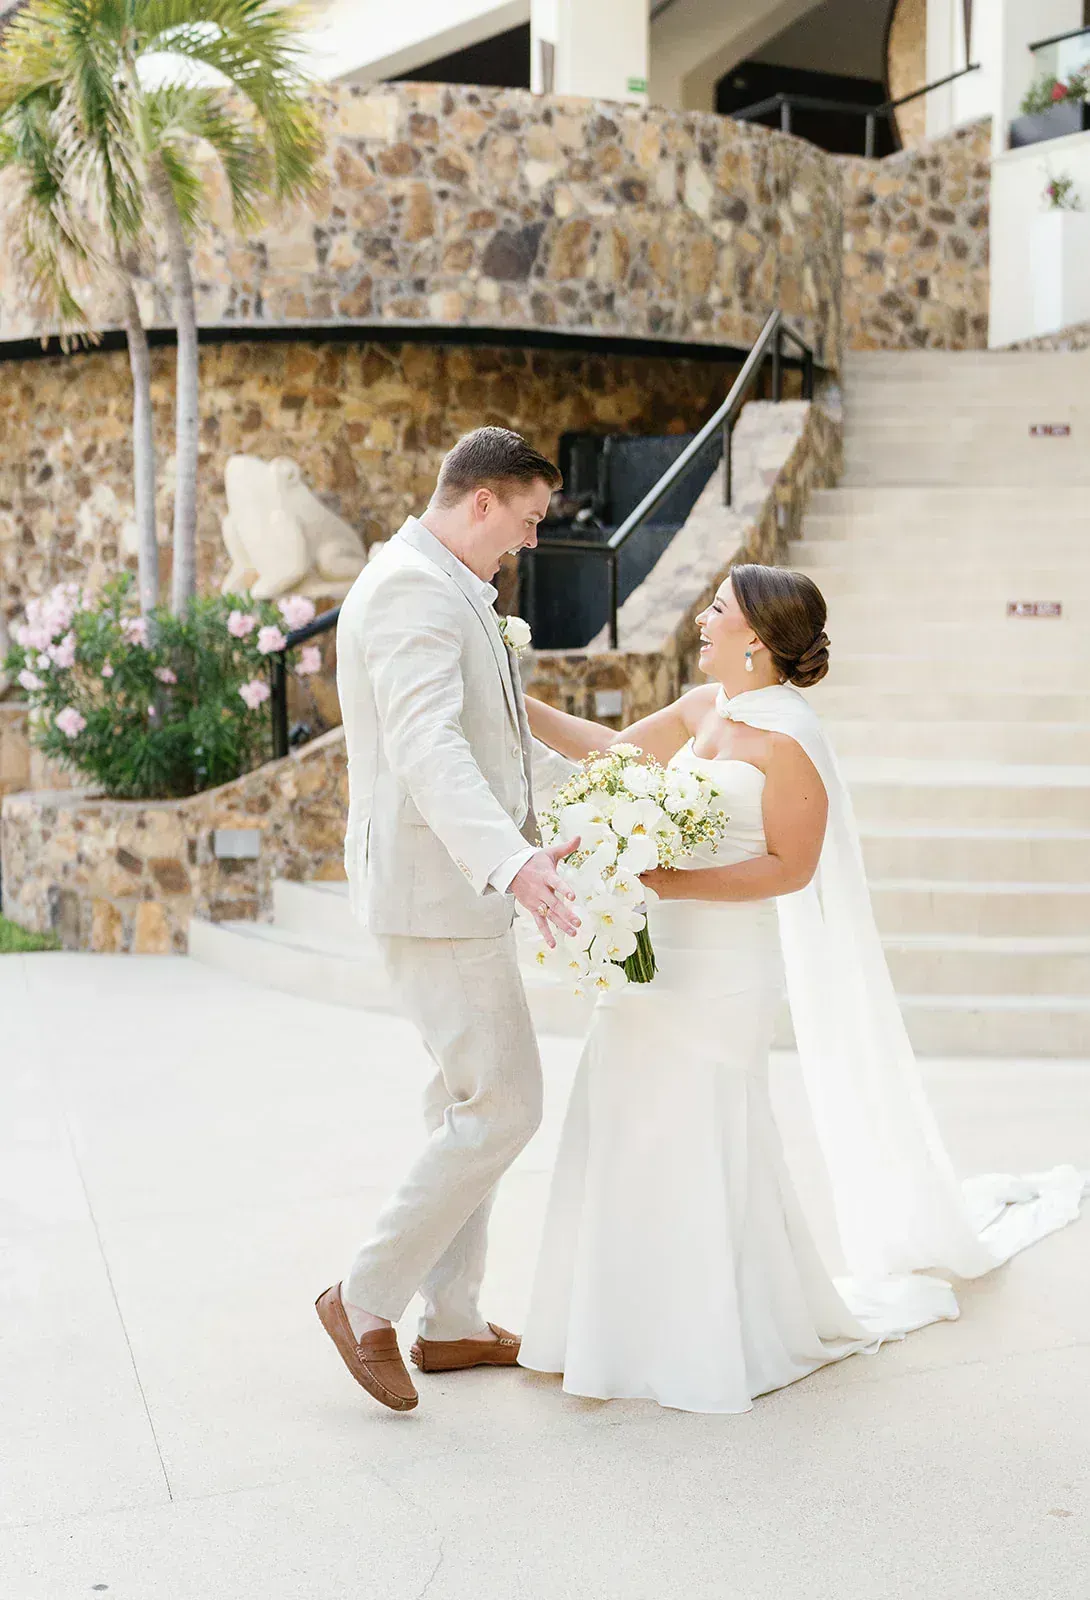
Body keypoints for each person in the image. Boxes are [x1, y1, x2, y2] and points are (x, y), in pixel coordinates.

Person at [517, 564, 1087, 1413]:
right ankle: (613, 1326)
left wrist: (668, 881)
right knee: (625, 1113)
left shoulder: (790, 740)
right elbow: (608, 752)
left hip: (724, 969)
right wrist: (509, 696)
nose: (701, 619)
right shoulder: (705, 708)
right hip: (653, 955)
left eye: (717, 608)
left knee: (705, 1125)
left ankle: (713, 1334)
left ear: (754, 636)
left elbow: (791, 868)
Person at [317, 427, 579, 1412]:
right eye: (528, 519)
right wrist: (511, 861)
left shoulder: (447, 586)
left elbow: (496, 741)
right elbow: (427, 747)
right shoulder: (412, 593)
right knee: (505, 1105)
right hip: (436, 894)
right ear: (481, 502)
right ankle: (363, 1296)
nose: (531, 540)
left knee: (467, 1104)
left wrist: (597, 800)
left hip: (449, 888)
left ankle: (456, 1321)